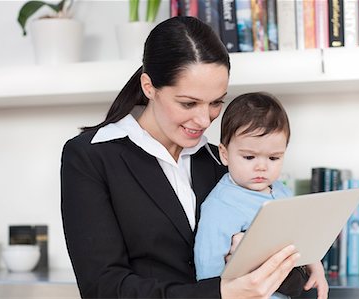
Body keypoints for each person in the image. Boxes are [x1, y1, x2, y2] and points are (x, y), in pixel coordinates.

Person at [61, 17, 301, 298]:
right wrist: (221, 293)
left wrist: (268, 262)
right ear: (149, 87)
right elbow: (103, 287)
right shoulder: (91, 157)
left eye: (216, 103)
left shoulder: (223, 161)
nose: (203, 120)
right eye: (188, 103)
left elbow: (293, 279)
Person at [194, 92, 329, 299]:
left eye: (274, 157)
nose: (261, 167)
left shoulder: (282, 190)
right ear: (224, 154)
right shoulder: (220, 205)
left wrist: (315, 267)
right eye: (249, 157)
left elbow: (300, 237)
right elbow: (207, 266)